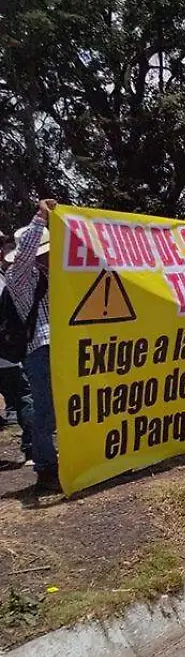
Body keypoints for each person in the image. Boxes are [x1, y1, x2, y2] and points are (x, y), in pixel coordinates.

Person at [7, 199, 55, 491]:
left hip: (63, 348)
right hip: (40, 350)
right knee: (45, 411)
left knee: (68, 409)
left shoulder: (56, 273)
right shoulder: (21, 276)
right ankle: (46, 467)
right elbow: (25, 254)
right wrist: (41, 218)